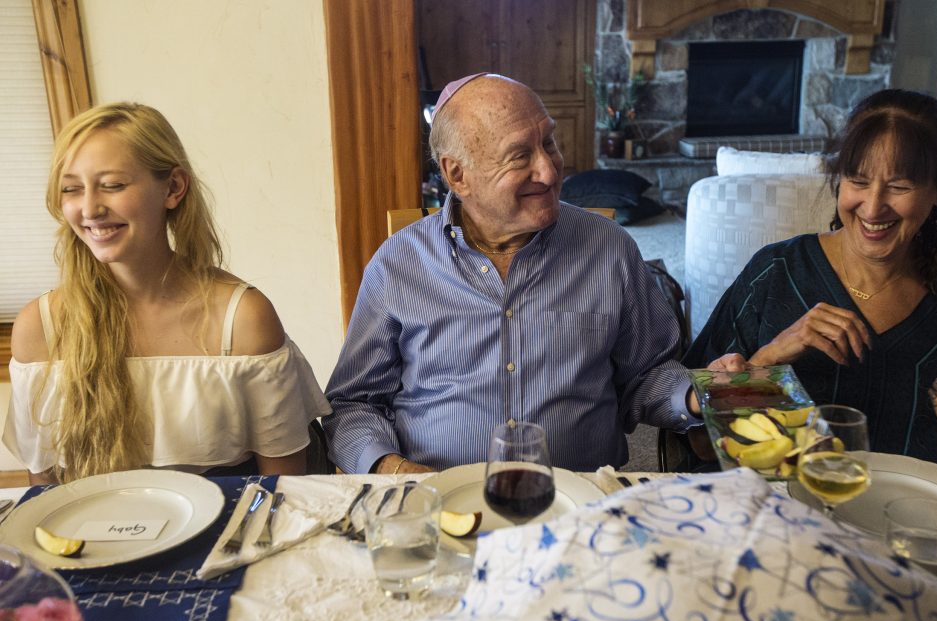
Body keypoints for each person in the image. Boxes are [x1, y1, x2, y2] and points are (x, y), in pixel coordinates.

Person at [324, 73, 703, 474]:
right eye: (520, 156)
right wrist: (395, 471)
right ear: (458, 175)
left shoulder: (609, 248)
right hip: (440, 498)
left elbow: (646, 373)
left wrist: (699, 395)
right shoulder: (398, 264)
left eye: (549, 143)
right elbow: (354, 402)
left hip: (580, 499)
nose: (550, 172)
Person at [685, 89, 937, 473]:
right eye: (858, 180)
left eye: (899, 186)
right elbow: (697, 444)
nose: (873, 207)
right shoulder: (774, 273)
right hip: (780, 507)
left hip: (921, 509)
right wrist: (769, 359)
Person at [3, 102, 331, 484]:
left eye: (113, 185)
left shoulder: (243, 319)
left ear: (173, 188)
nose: (89, 209)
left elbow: (281, 489)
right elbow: (45, 493)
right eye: (71, 189)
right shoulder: (39, 327)